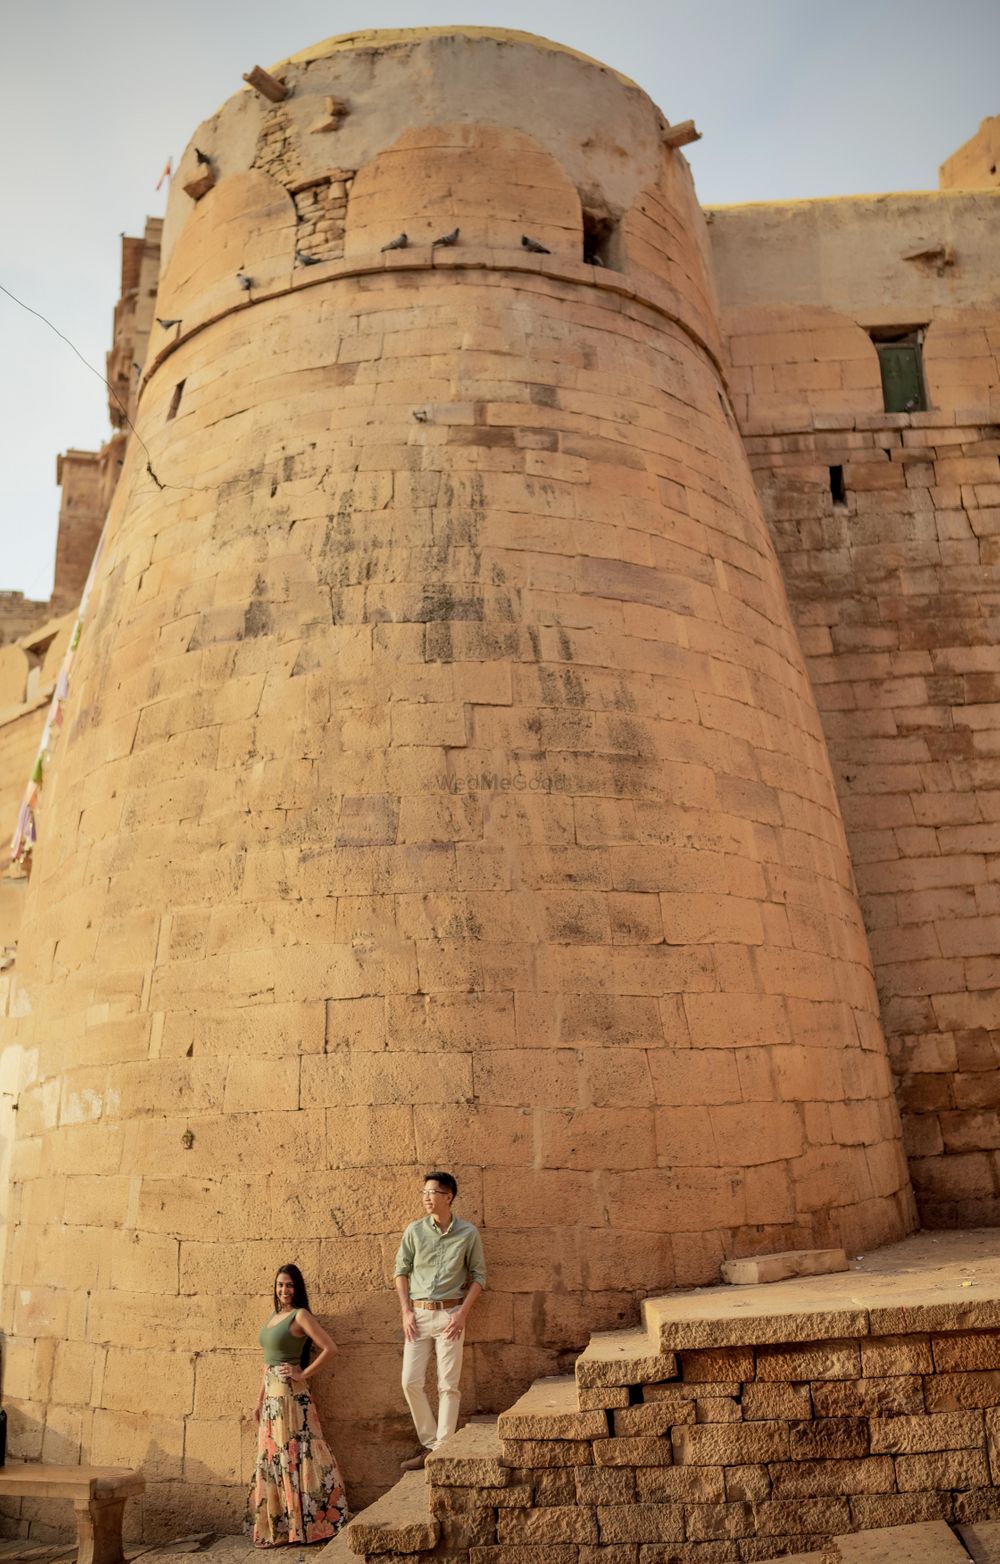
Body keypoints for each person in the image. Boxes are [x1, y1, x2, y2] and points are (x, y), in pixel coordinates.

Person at [250, 1263, 349, 1547]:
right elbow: (266, 1362)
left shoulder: (300, 1315)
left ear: (298, 1288)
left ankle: (307, 1526)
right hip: (271, 1398)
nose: (284, 1290)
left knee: (296, 1455)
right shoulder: (273, 1316)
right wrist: (259, 1401)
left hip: (291, 1397)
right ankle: (284, 1528)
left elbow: (330, 1348)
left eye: (290, 1285)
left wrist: (302, 1374)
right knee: (276, 1459)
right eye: (280, 1284)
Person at [394, 1171, 487, 1471]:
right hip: (418, 1316)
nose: (426, 1197)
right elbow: (401, 1271)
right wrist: (406, 1310)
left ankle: (443, 1447)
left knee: (449, 1384)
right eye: (424, 1192)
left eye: (432, 1192)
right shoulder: (414, 1231)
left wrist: (462, 1314)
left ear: (448, 1196)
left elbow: (479, 1277)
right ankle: (431, 1444)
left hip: (450, 1315)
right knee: (410, 1381)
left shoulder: (468, 1233)